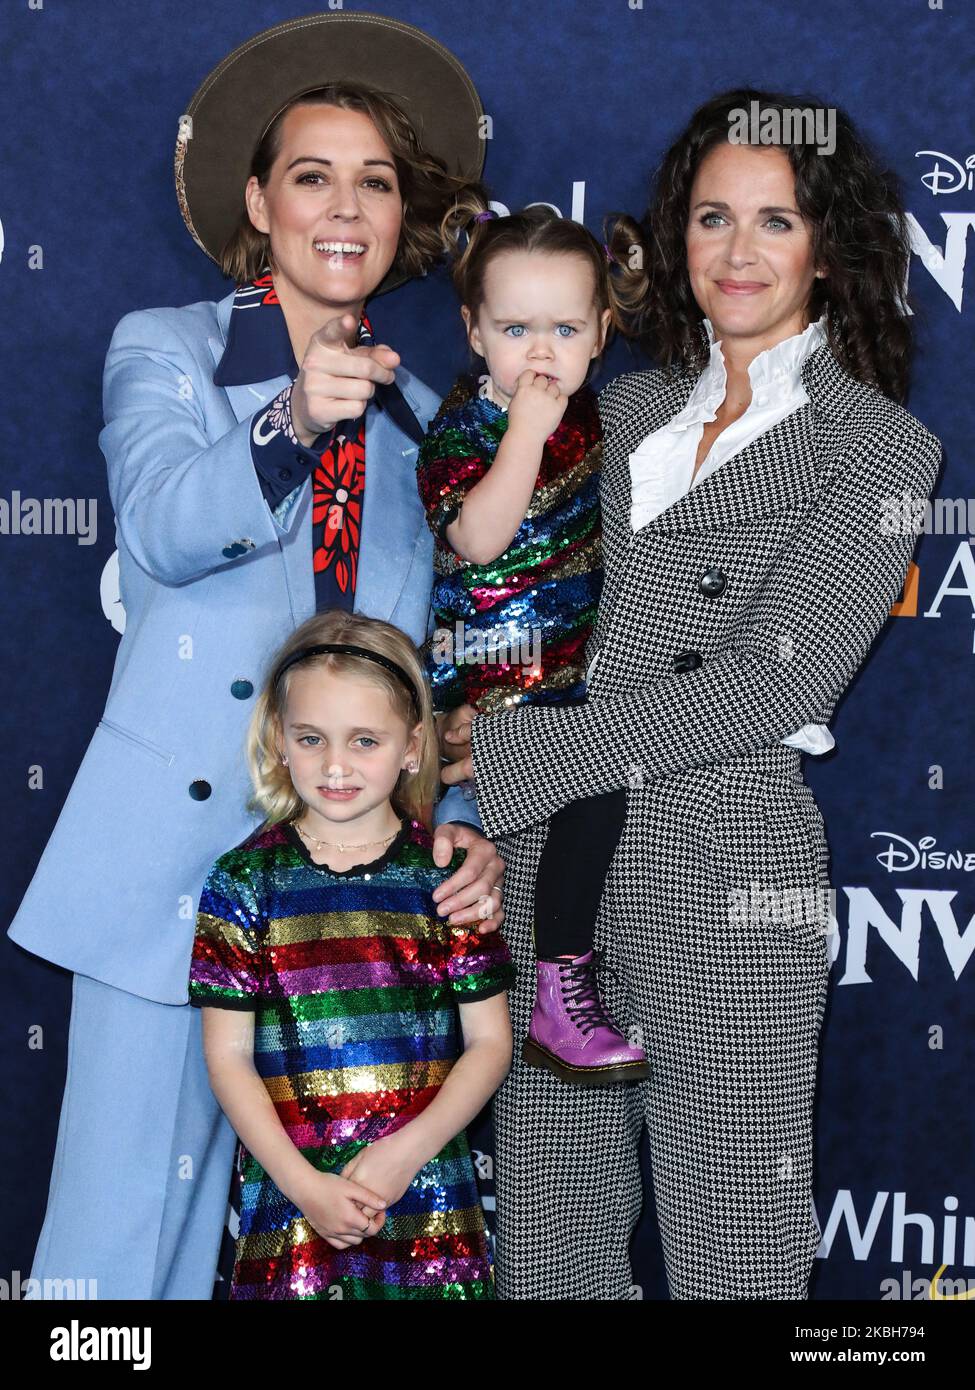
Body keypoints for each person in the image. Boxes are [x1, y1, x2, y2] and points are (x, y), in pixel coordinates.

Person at [9, 13, 506, 1301]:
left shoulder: (415, 429)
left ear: (401, 221)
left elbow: (411, 685)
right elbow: (168, 530)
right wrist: (287, 420)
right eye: (312, 175)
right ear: (256, 202)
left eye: (377, 182)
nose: (346, 207)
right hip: (174, 879)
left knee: (306, 1257)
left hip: (348, 912)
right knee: (121, 1254)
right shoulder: (165, 348)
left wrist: (450, 820)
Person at [443, 88, 945, 1299]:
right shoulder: (617, 408)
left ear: (828, 244)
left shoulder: (880, 449)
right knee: (552, 1265)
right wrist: (463, 757)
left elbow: (772, 682)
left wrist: (511, 760)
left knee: (735, 1260)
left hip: (732, 882)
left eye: (775, 222)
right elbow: (502, 585)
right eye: (713, 217)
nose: (737, 251)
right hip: (549, 873)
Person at [189, 609, 515, 1299]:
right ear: (280, 740)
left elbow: (489, 1044)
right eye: (312, 739)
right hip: (293, 1199)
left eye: (364, 740)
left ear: (410, 745)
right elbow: (228, 1057)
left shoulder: (447, 880)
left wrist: (402, 1155)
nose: (335, 765)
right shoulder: (243, 883)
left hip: (426, 1195)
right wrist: (304, 1185)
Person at [416, 200, 649, 1086]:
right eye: (515, 328)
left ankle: (562, 996)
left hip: (569, 691)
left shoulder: (603, 420)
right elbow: (477, 538)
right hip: (478, 690)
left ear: (599, 334)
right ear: (474, 332)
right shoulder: (462, 429)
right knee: (461, 866)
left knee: (595, 814)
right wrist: (524, 436)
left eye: (563, 328)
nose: (540, 352)